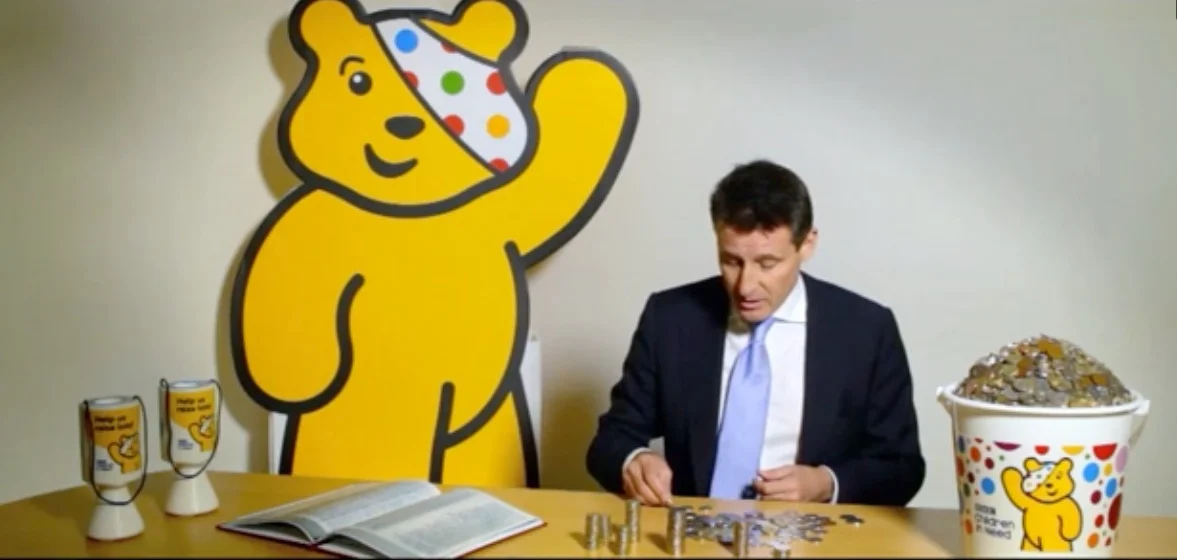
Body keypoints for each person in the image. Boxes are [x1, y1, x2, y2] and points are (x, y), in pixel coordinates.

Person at [584, 159, 925, 506]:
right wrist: (633, 460)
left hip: (811, 531)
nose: (746, 286)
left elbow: (902, 466)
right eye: (731, 261)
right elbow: (612, 439)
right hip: (691, 530)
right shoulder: (670, 319)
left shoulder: (867, 330)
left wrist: (825, 483)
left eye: (767, 264)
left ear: (807, 244)